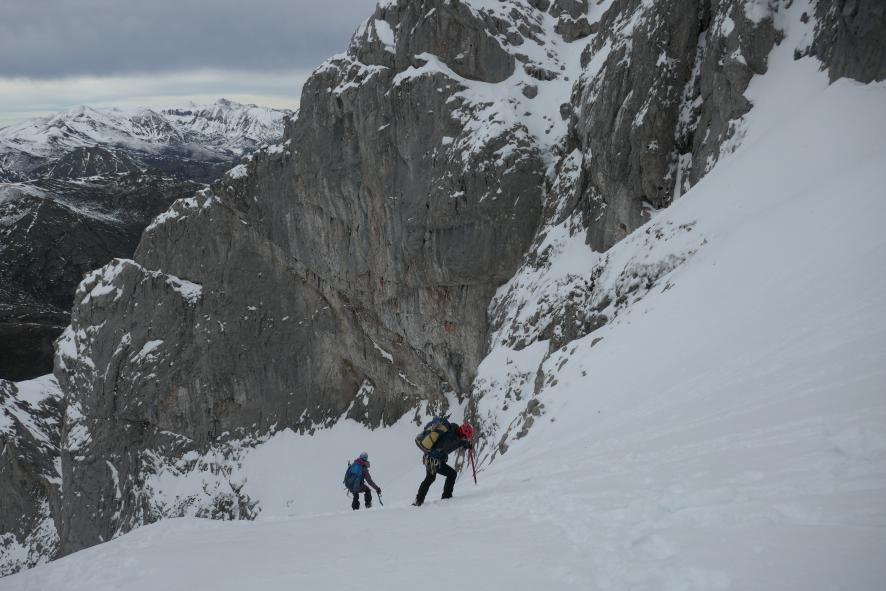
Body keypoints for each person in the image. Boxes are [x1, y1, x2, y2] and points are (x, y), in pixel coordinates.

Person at [413, 421, 474, 506]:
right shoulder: (452, 437)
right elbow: (448, 446)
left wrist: (464, 443)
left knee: (430, 478)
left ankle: (419, 500)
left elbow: (455, 442)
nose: (465, 438)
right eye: (465, 437)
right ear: (463, 434)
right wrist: (463, 443)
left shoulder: (452, 430)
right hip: (434, 460)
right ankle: (446, 497)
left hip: (430, 458)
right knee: (450, 474)